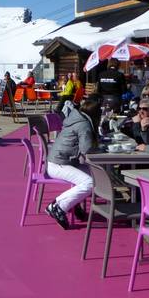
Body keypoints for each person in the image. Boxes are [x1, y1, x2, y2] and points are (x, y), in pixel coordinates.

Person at [45, 98, 102, 229]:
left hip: (59, 161)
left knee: (97, 176)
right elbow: (86, 149)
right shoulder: (84, 125)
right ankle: (58, 207)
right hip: (59, 164)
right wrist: (101, 149)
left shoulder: (76, 119)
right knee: (90, 182)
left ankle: (73, 203)